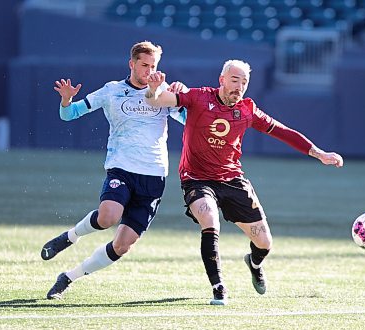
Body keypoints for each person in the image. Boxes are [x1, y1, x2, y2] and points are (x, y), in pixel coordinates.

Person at [145, 59, 343, 305]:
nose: (239, 86)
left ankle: (254, 262)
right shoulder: (197, 97)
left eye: (244, 82)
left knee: (264, 242)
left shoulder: (248, 110)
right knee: (209, 218)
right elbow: (156, 100)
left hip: (232, 180)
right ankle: (218, 287)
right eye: (234, 80)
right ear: (222, 80)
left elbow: (283, 132)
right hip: (197, 180)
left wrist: (319, 153)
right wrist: (154, 89)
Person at [41, 40, 187, 300]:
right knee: (108, 216)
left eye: (153, 66)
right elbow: (70, 115)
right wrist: (66, 101)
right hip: (122, 169)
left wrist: (183, 97)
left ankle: (68, 277)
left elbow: (189, 120)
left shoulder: (164, 93)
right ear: (131, 64)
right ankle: (70, 237)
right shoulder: (112, 91)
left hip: (154, 176)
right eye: (144, 65)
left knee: (122, 245)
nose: (149, 70)